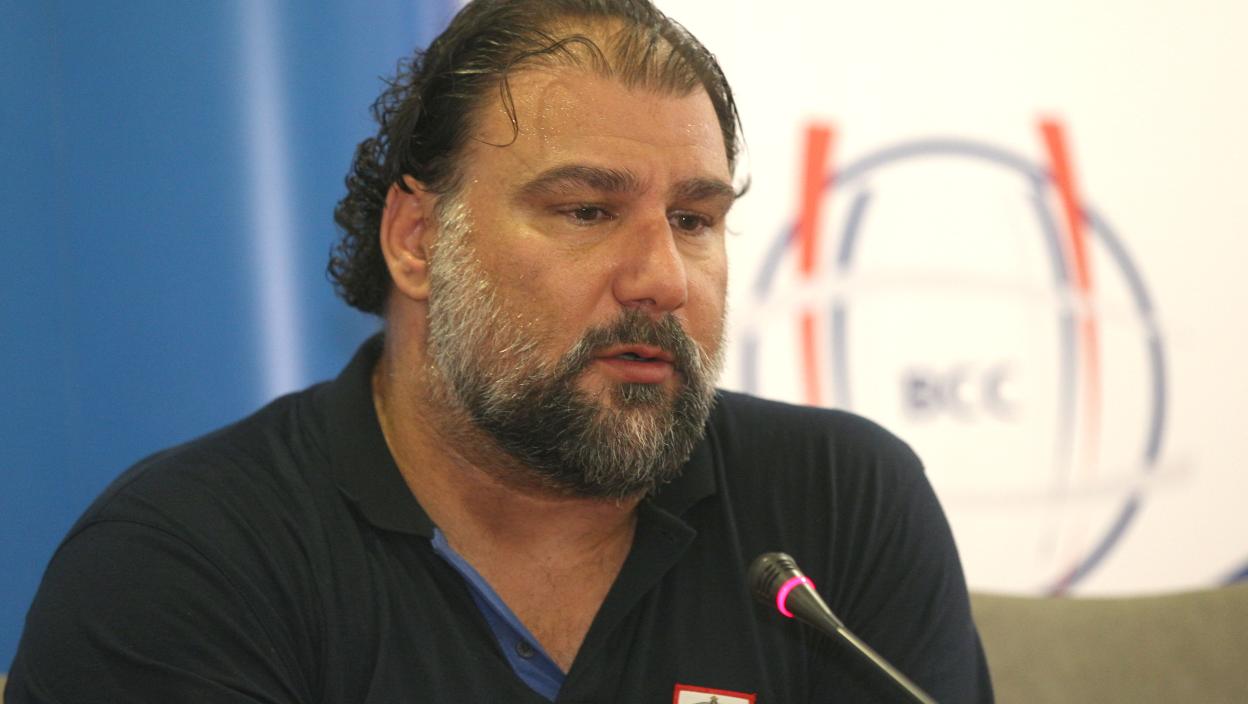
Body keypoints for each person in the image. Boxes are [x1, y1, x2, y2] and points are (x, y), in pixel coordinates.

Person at [6, 0, 993, 701]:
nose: (661, 277)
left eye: (694, 220)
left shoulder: (838, 508)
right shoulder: (186, 559)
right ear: (417, 240)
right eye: (587, 210)